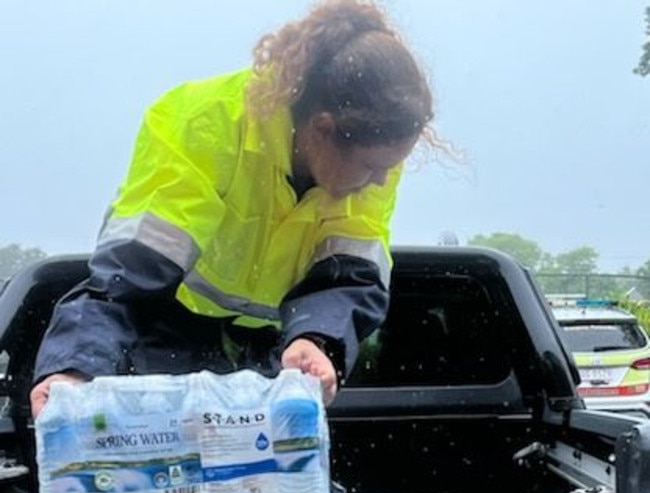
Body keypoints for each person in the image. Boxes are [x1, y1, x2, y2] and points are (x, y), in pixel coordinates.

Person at [30, 0, 441, 418]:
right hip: (171, 326)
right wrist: (73, 371)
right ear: (324, 130)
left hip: (279, 346)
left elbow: (350, 279)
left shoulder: (373, 158)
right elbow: (125, 281)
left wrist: (317, 341)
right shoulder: (203, 125)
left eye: (391, 167)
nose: (381, 181)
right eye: (373, 167)